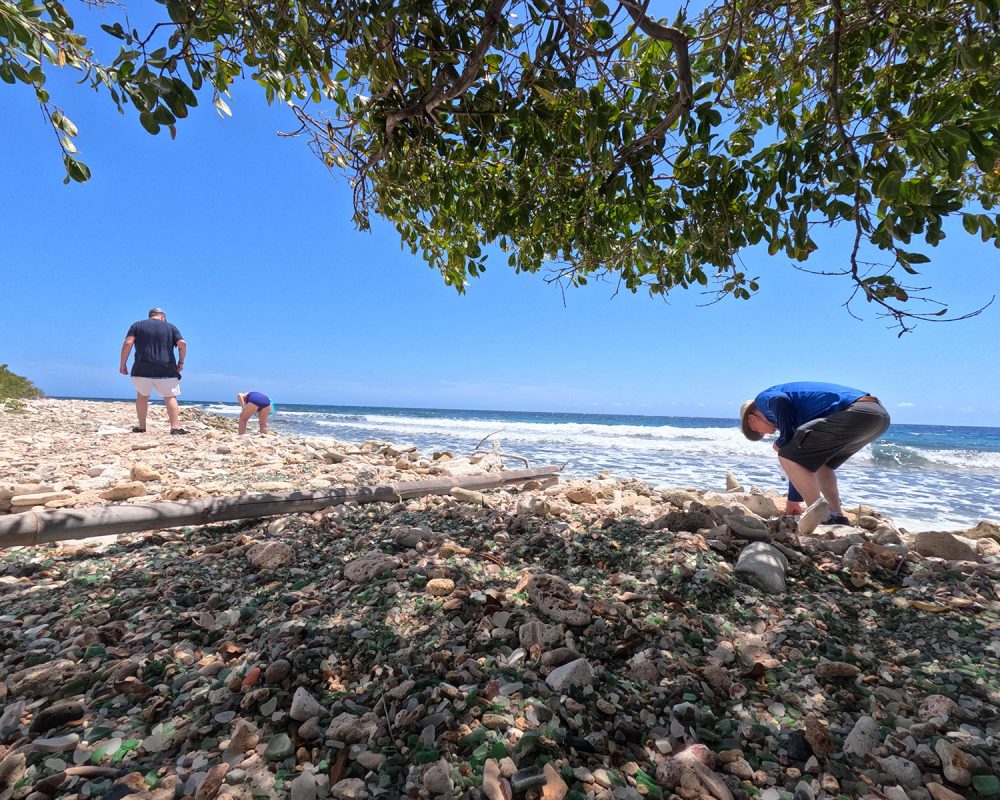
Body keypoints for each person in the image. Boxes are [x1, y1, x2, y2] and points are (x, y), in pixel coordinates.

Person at [739, 382, 890, 533]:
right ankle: (837, 516)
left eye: (759, 432)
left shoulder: (763, 399)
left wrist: (782, 440)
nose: (767, 434)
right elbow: (801, 461)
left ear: (752, 419)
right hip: (878, 418)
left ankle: (820, 516)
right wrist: (794, 498)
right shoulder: (796, 414)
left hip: (856, 413)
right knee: (822, 465)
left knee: (785, 454)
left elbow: (780, 401)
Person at [119, 307, 187, 434]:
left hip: (141, 368)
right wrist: (181, 362)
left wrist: (123, 365)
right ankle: (175, 427)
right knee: (170, 397)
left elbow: (128, 343)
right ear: (162, 316)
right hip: (166, 368)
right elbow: (182, 344)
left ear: (150, 316)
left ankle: (141, 427)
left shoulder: (137, 325)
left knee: (142, 395)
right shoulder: (170, 327)